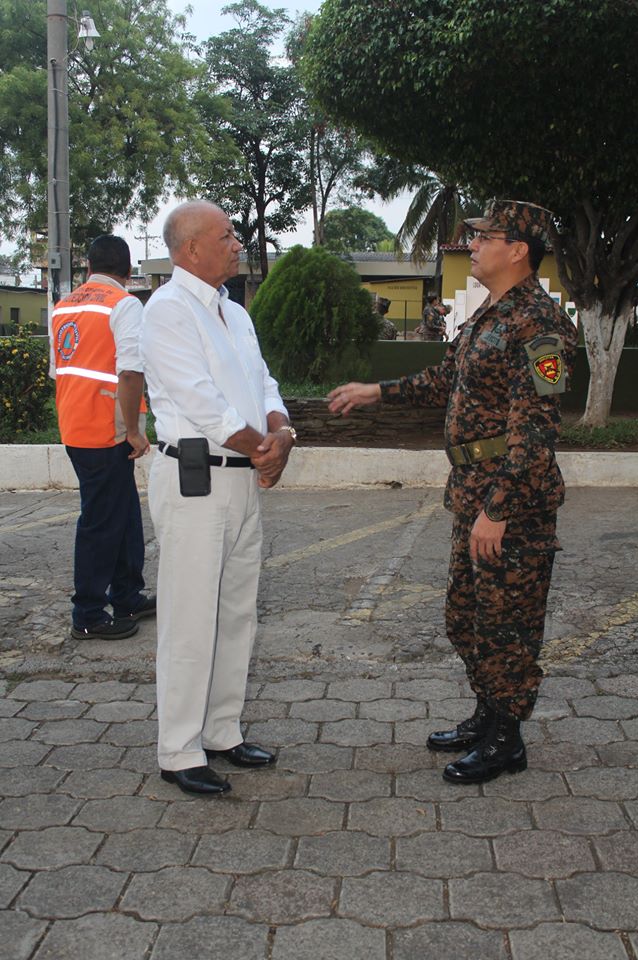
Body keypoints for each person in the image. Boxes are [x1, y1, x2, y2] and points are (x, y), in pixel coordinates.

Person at [328, 200, 577, 785]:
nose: (475, 245)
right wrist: (377, 392)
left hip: (509, 503)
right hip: (471, 492)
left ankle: (506, 741)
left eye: (486, 237)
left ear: (518, 250)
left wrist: (499, 509)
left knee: (506, 626)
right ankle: (487, 715)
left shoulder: (538, 325)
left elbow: (537, 429)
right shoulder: (488, 316)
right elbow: (445, 380)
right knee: (466, 618)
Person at [140, 200, 295, 797]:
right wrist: (266, 448)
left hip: (241, 479)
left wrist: (280, 432)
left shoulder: (233, 311)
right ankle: (179, 749)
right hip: (195, 479)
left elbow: (263, 383)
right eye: (227, 236)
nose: (237, 244)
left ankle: (222, 731)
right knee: (189, 617)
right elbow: (203, 403)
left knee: (236, 612)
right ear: (191, 250)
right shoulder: (168, 311)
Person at [51, 235, 154, 641]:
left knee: (123, 512)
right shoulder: (124, 305)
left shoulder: (63, 307)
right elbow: (130, 372)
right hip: (107, 429)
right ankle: (88, 613)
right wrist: (132, 431)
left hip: (75, 424)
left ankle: (127, 594)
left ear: (88, 269)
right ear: (128, 273)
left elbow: (59, 371)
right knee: (101, 521)